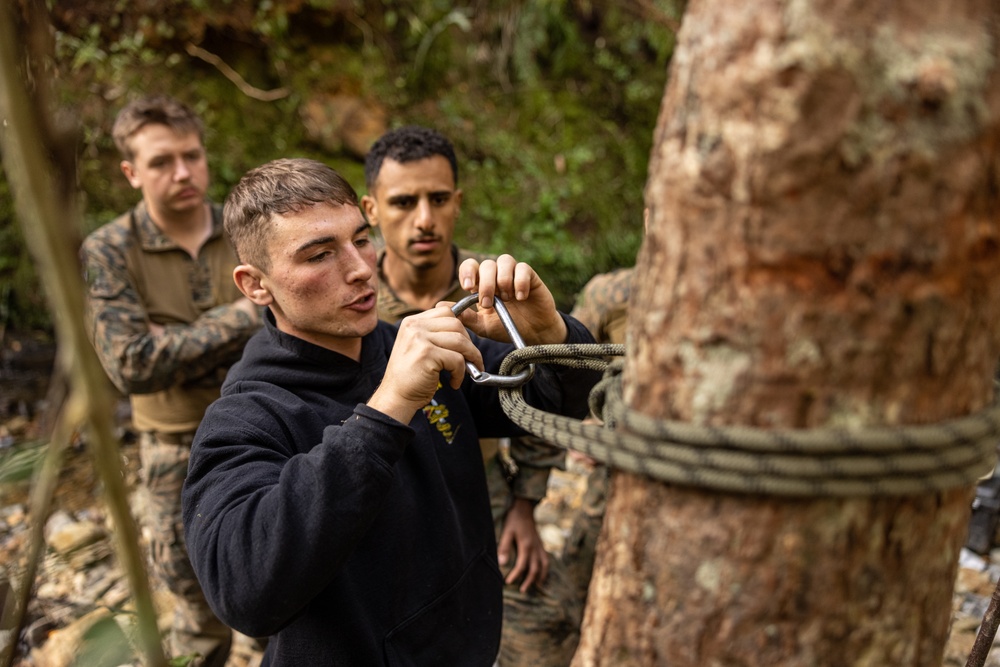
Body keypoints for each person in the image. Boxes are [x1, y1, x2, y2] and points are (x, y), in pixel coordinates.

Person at [179, 157, 599, 666]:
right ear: (255, 285)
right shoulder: (249, 414)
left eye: (360, 240)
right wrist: (388, 409)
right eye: (318, 255)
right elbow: (244, 593)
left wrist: (549, 334)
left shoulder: (409, 343)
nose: (359, 269)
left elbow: (558, 403)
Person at [362, 126, 579, 664]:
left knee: (546, 628)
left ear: (458, 202)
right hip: (378, 496)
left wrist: (525, 505)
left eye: (438, 199)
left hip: (482, 490)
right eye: (403, 202)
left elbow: (542, 390)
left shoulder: (491, 289)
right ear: (371, 209)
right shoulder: (351, 296)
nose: (424, 220)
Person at [80, 95, 261, 667]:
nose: (182, 173)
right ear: (131, 172)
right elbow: (131, 364)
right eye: (161, 162)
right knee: (197, 618)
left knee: (280, 594)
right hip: (171, 451)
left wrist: (174, 343)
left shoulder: (248, 227)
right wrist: (242, 316)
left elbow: (297, 325)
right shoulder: (110, 249)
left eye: (191, 155)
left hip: (269, 429)